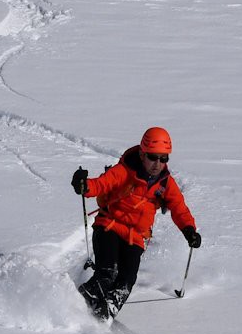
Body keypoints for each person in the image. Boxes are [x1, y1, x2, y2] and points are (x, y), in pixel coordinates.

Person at [71, 126, 201, 319]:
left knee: (126, 280)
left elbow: (179, 208)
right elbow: (101, 184)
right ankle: (72, 305)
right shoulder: (124, 171)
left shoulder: (165, 183)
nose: (158, 163)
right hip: (110, 226)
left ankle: (104, 315)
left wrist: (189, 229)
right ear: (142, 154)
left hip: (136, 237)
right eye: (153, 157)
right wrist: (84, 186)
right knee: (107, 273)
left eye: (163, 158)